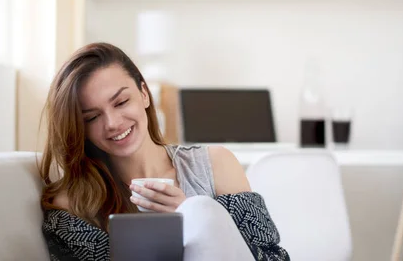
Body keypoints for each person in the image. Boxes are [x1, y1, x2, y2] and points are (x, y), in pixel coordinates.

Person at [39, 42, 289, 261]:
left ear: (144, 94)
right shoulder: (74, 204)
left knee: (198, 211)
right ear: (80, 128)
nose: (113, 123)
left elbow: (273, 257)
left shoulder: (215, 164)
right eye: (92, 117)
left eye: (122, 102)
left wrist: (193, 218)